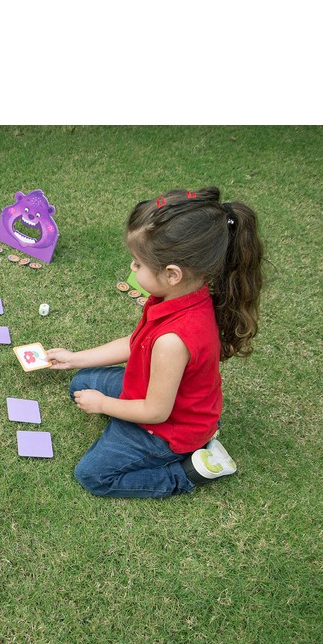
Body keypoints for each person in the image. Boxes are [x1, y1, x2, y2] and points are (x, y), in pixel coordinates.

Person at [45, 187, 264, 498]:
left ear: (172, 274)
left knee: (92, 476)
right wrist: (75, 358)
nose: (132, 268)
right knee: (80, 383)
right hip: (148, 393)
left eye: (137, 263)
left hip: (166, 428)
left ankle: (187, 472)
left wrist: (103, 405)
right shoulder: (175, 295)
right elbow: (135, 343)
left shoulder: (174, 341)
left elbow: (156, 411)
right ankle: (122, 415)